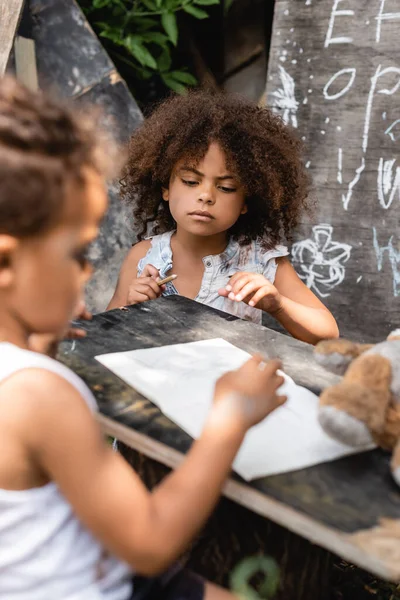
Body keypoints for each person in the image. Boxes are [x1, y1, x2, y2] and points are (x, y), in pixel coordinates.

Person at [0, 77, 287, 600]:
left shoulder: (19, 372)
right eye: (77, 255)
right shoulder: (38, 395)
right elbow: (151, 542)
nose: (85, 273)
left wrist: (35, 337)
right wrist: (228, 419)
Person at [108, 92, 339, 345]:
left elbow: (327, 333)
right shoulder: (143, 257)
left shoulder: (261, 261)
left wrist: (278, 305)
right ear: (166, 188)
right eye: (190, 182)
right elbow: (106, 333)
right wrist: (132, 306)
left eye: (226, 187)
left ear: (246, 203)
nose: (206, 196)